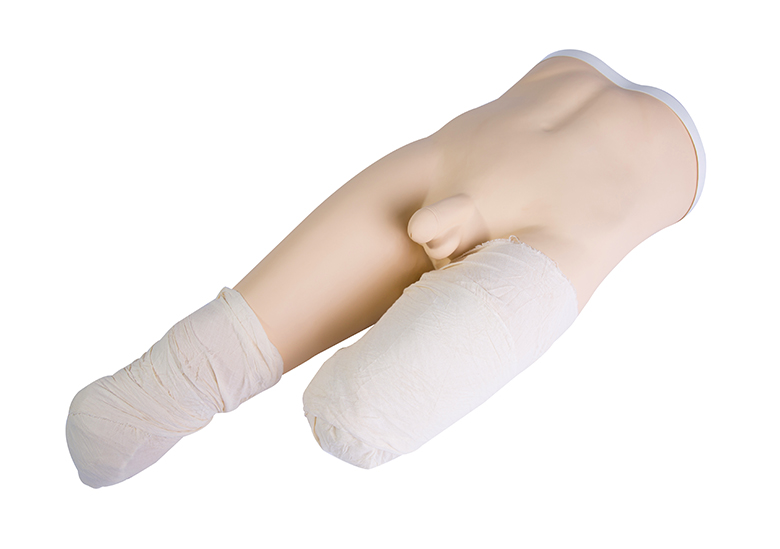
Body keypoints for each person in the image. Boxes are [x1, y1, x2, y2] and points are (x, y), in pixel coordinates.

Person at [66, 49, 705, 487]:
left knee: (360, 413)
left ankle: (149, 410)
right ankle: (145, 410)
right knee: (150, 399)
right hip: (482, 156)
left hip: (547, 202)